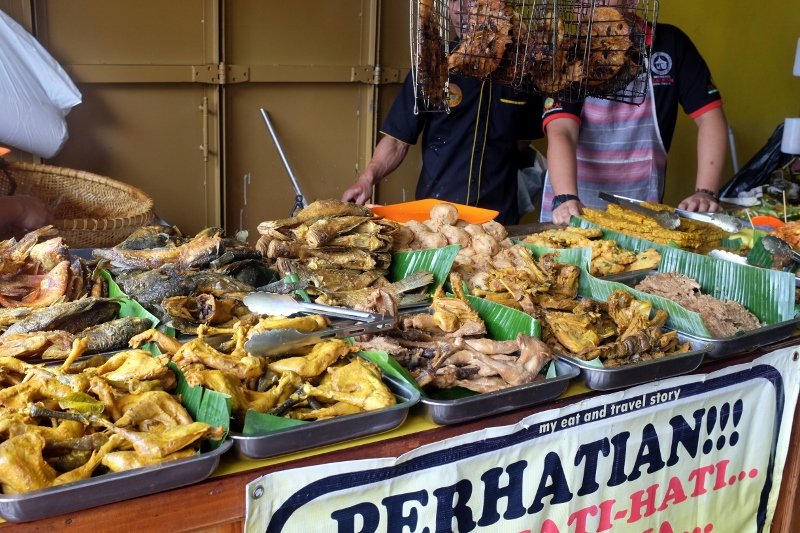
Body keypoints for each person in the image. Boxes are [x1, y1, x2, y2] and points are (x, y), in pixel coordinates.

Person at [342, 0, 544, 226]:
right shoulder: (433, 64)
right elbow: (397, 141)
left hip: (498, 217)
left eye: (469, 1)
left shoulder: (523, 72)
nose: (458, 9)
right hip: (438, 218)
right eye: (452, 2)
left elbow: (522, 141)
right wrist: (366, 179)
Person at [540, 13, 728, 225]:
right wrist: (566, 197)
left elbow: (709, 116)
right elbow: (562, 130)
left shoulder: (670, 44)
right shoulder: (570, 51)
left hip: (642, 210)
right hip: (570, 209)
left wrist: (705, 192)